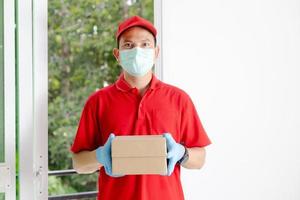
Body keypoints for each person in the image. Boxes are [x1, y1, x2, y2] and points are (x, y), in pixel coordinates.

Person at [70, 15, 212, 200]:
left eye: (145, 44)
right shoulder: (98, 102)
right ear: (117, 54)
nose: (137, 51)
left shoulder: (179, 99)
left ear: (156, 52)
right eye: (128, 45)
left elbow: (200, 158)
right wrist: (99, 156)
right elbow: (79, 164)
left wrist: (182, 153)